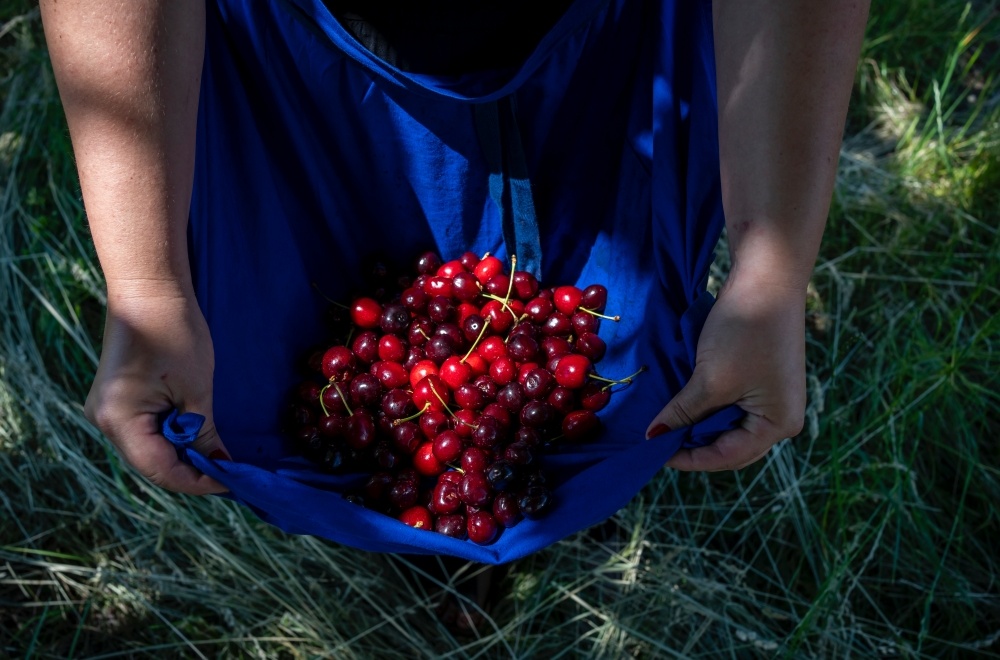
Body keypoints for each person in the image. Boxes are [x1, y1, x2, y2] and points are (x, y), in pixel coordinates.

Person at [39, 0, 869, 607]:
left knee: (602, 378)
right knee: (332, 387)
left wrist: (770, 276)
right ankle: (432, 562)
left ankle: (486, 546)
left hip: (598, 49)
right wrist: (147, 285)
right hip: (300, 66)